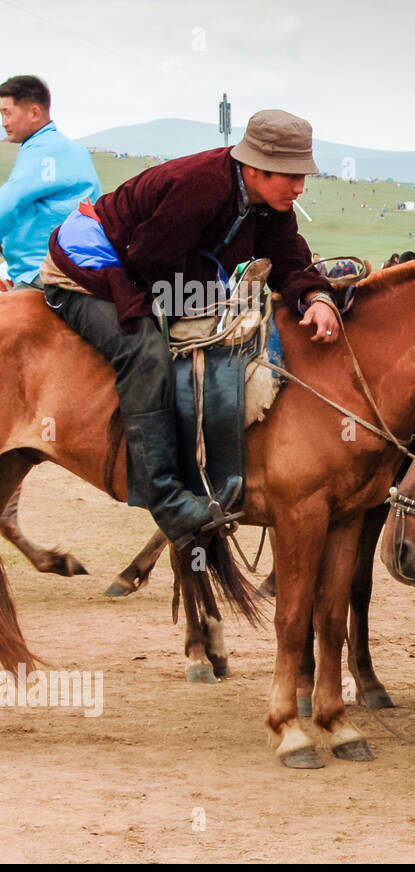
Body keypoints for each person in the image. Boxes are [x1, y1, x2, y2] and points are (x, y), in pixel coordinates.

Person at [40, 109, 340, 547]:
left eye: (303, 176)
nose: (299, 187)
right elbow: (152, 258)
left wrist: (316, 297)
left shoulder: (273, 206)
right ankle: (166, 498)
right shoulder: (199, 185)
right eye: (289, 176)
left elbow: (288, 257)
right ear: (254, 167)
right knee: (144, 353)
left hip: (157, 270)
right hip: (92, 267)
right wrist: (215, 297)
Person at [0, 75, 101, 290]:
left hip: (42, 271)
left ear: (34, 112)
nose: (4, 122)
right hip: (68, 262)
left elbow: (9, 202)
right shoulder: (67, 149)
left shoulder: (45, 150)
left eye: (7, 113)